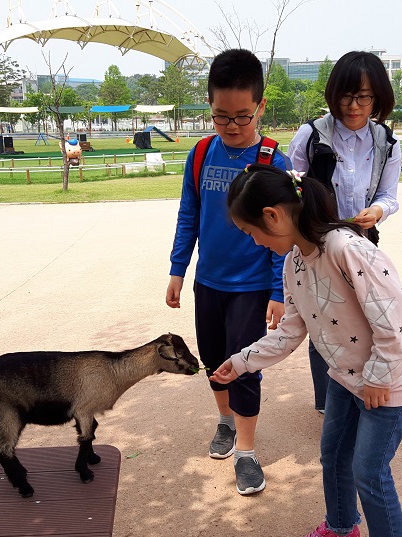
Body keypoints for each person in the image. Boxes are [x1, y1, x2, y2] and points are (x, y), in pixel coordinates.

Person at [211, 164, 402, 537]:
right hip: (346, 378)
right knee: (332, 456)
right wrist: (241, 362)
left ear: (273, 215)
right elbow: (291, 331)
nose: (253, 241)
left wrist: (380, 377)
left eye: (251, 231)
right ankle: (343, 531)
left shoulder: (347, 248)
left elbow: (394, 319)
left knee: (369, 469)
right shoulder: (294, 263)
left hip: (389, 378)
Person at [165, 49, 291, 496]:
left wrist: (278, 290)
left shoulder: (273, 159)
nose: (232, 126)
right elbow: (189, 214)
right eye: (220, 116)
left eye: (242, 116)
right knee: (214, 358)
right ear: (209, 107)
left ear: (259, 106)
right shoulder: (201, 153)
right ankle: (225, 421)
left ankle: (247, 451)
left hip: (253, 287)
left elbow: (283, 228)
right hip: (208, 282)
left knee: (246, 365)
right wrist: (178, 268)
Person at [287, 51, 401, 413]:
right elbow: (292, 188)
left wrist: (378, 210)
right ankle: (328, 402)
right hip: (318, 246)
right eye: (346, 96)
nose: (354, 106)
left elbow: (389, 195)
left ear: (377, 98)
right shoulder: (311, 135)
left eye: (364, 97)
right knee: (322, 322)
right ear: (333, 95)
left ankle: (364, 386)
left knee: (367, 315)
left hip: (361, 247)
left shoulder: (385, 142)